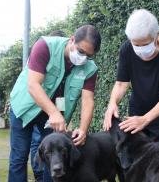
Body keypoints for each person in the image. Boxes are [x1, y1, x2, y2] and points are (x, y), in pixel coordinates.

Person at [8, 24, 101, 182]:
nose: (83, 58)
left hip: (56, 110)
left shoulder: (90, 69)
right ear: (72, 40)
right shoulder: (45, 46)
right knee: (19, 157)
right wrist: (53, 113)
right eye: (81, 51)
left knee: (54, 157)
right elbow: (33, 85)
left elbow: (88, 100)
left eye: (89, 56)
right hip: (25, 106)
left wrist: (83, 129)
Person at [103, 9, 159, 149]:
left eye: (145, 44)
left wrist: (145, 119)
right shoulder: (126, 49)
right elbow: (121, 83)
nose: (140, 49)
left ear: (156, 35)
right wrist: (112, 103)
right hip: (138, 113)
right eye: (136, 44)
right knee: (139, 160)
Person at [28, 29, 67, 182]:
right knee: (37, 142)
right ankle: (39, 173)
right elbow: (33, 86)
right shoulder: (41, 55)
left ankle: (44, 175)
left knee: (47, 143)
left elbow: (61, 92)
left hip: (52, 110)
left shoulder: (65, 62)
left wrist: (61, 113)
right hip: (34, 107)